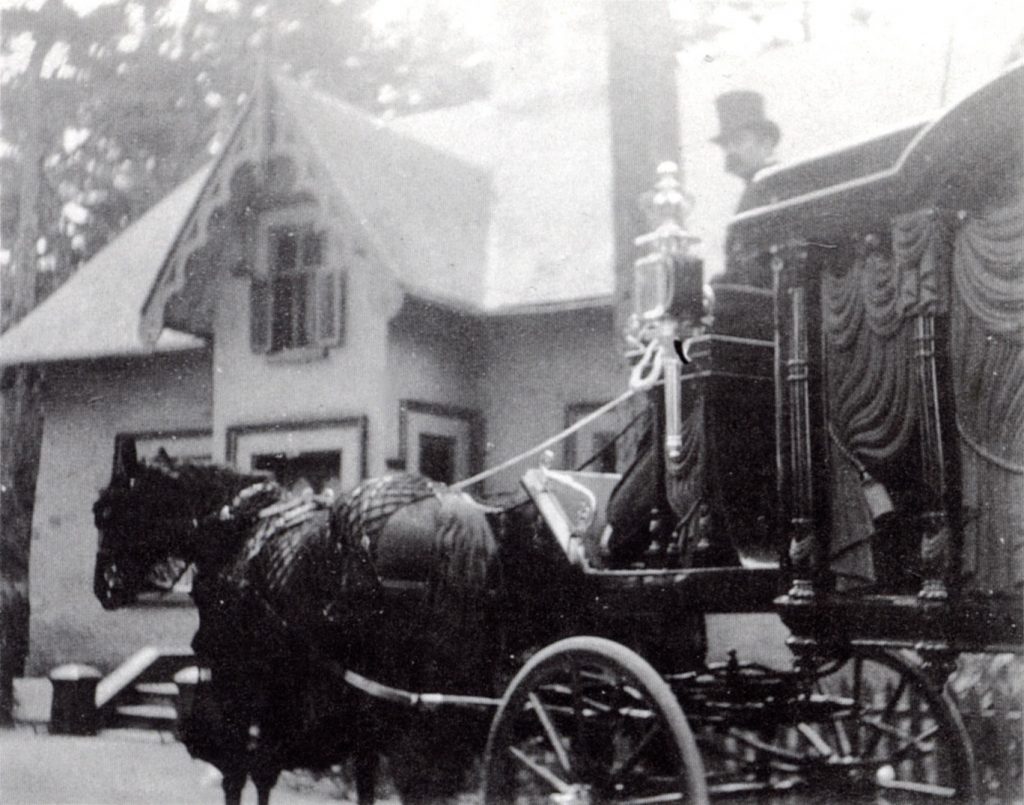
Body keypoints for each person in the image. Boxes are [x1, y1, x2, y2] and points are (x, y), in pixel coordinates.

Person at [711, 90, 781, 211]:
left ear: (766, 145)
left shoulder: (782, 186)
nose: (730, 151)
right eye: (726, 145)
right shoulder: (752, 193)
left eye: (739, 140)